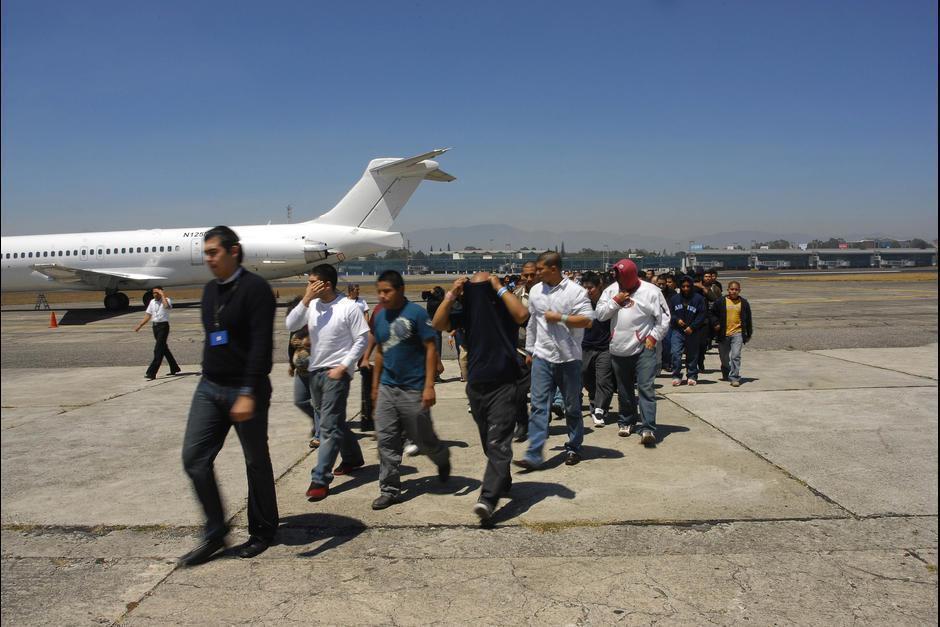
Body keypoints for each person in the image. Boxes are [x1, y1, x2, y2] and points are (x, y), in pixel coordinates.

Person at [178, 226, 278, 566]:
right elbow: (213, 336)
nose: (207, 259)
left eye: (212, 252)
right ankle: (216, 531)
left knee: (255, 461)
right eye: (206, 253)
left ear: (233, 251)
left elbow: (262, 344)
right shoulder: (209, 290)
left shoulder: (256, 289)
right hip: (210, 387)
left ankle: (263, 530)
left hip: (245, 387)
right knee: (194, 458)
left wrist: (248, 390)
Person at [432, 272, 529, 522]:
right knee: (489, 442)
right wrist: (452, 295)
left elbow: (522, 315)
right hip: (476, 386)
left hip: (505, 382)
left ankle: (487, 499)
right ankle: (502, 478)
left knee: (498, 443)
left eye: (483, 288)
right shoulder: (466, 311)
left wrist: (498, 287)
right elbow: (438, 324)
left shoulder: (504, 306)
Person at [286, 264, 369, 502]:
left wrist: (345, 366)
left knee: (328, 427)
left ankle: (320, 479)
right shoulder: (311, 305)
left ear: (327, 284)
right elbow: (291, 325)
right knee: (326, 417)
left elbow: (362, 339)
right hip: (315, 371)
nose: (308, 286)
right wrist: (305, 299)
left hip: (337, 372)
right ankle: (353, 457)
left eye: (312, 282)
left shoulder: (348, 307)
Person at [370, 270, 450, 510]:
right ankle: (390, 489)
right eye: (379, 292)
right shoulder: (380, 316)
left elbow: (430, 348)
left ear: (400, 290)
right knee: (386, 440)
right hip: (387, 386)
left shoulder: (416, 313)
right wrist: (374, 386)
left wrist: (429, 386)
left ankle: (441, 457)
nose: (382, 296)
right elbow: (380, 352)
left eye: (387, 291)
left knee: (423, 440)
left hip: (414, 387)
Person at [514, 251, 594, 469]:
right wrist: (530, 350)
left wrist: (561, 318)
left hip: (568, 358)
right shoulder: (537, 291)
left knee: (572, 406)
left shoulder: (575, 292)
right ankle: (534, 454)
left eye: (540, 269)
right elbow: (532, 324)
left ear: (553, 269)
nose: (536, 273)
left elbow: (588, 321)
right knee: (539, 406)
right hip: (542, 355)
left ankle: (574, 446)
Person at [596, 259, 670, 445]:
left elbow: (664, 317)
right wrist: (616, 301)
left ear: (630, 275)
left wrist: (654, 337)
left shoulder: (651, 292)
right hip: (619, 348)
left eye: (621, 276)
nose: (618, 279)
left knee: (646, 387)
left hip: (643, 348)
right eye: (616, 276)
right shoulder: (611, 290)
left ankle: (648, 428)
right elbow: (600, 314)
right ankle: (626, 421)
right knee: (624, 389)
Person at [580, 272, 616, 428]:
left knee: (603, 380)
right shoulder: (580, 304)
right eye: (585, 287)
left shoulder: (606, 303)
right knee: (586, 377)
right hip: (585, 347)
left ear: (599, 286)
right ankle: (594, 401)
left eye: (591, 287)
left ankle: (600, 409)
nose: (588, 291)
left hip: (605, 348)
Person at [286, 296, 319, 448]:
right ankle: (319, 419)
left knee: (318, 404)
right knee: (300, 401)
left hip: (315, 369)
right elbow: (290, 347)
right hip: (301, 370)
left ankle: (319, 434)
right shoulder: (295, 327)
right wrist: (291, 366)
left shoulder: (314, 323)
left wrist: (308, 342)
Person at [511, 261, 538, 442]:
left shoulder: (548, 293)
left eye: (532, 275)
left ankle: (540, 419)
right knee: (518, 392)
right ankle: (522, 423)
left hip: (543, 350)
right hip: (520, 350)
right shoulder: (516, 295)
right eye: (525, 275)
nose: (528, 279)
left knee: (541, 391)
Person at [134, 286, 181, 380]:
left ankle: (151, 372)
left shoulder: (167, 300)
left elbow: (167, 307)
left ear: (160, 293)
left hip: (163, 326)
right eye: (153, 293)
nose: (155, 295)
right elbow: (148, 315)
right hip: (155, 327)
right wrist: (140, 325)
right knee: (164, 349)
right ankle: (174, 367)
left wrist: (163, 295)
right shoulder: (152, 302)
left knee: (158, 350)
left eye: (156, 293)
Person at [713, 280, 753, 387]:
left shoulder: (744, 303)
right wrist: (715, 323)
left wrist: (748, 334)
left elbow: (748, 319)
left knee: (735, 355)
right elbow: (712, 313)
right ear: (728, 290)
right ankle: (726, 369)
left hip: (738, 333)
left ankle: (735, 377)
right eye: (732, 289)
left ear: (739, 290)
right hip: (724, 333)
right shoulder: (721, 301)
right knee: (724, 356)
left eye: (736, 289)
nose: (734, 291)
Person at [669, 276, 707, 386]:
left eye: (688, 286)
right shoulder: (675, 299)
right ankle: (676, 375)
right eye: (683, 286)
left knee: (692, 354)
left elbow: (702, 314)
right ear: (680, 287)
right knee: (675, 353)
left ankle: (692, 375)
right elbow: (670, 313)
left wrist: (693, 327)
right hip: (678, 331)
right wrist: (677, 320)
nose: (686, 288)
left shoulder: (698, 299)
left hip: (693, 331)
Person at [347, 284, 374, 431]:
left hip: (360, 328)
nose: (358, 291)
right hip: (349, 328)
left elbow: (366, 312)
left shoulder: (361, 301)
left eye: (359, 289)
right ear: (351, 291)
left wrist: (367, 323)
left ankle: (361, 362)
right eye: (356, 290)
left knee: (361, 347)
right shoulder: (346, 302)